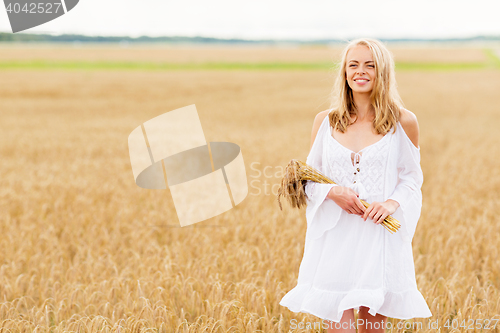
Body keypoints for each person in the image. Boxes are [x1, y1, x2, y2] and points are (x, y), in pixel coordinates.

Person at [279, 38, 432, 332]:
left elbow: (412, 178)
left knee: (373, 327)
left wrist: (390, 203)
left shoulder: (403, 121)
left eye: (369, 65)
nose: (360, 71)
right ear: (345, 73)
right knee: (341, 327)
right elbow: (309, 180)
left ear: (382, 71)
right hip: (337, 238)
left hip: (379, 236)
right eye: (353, 65)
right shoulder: (325, 121)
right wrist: (332, 191)